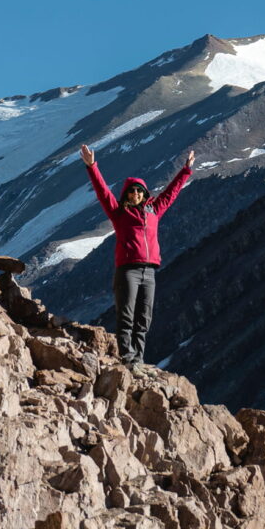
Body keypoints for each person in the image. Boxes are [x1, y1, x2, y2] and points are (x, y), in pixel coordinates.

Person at [80, 143, 195, 364]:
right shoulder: (118, 212)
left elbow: (171, 193)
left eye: (139, 191)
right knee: (126, 314)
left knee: (144, 317)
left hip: (149, 271)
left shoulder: (154, 211)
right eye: (132, 191)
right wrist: (92, 166)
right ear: (126, 194)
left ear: (144, 194)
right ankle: (127, 356)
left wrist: (186, 170)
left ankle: (138, 359)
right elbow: (102, 192)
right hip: (128, 270)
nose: (136, 194)